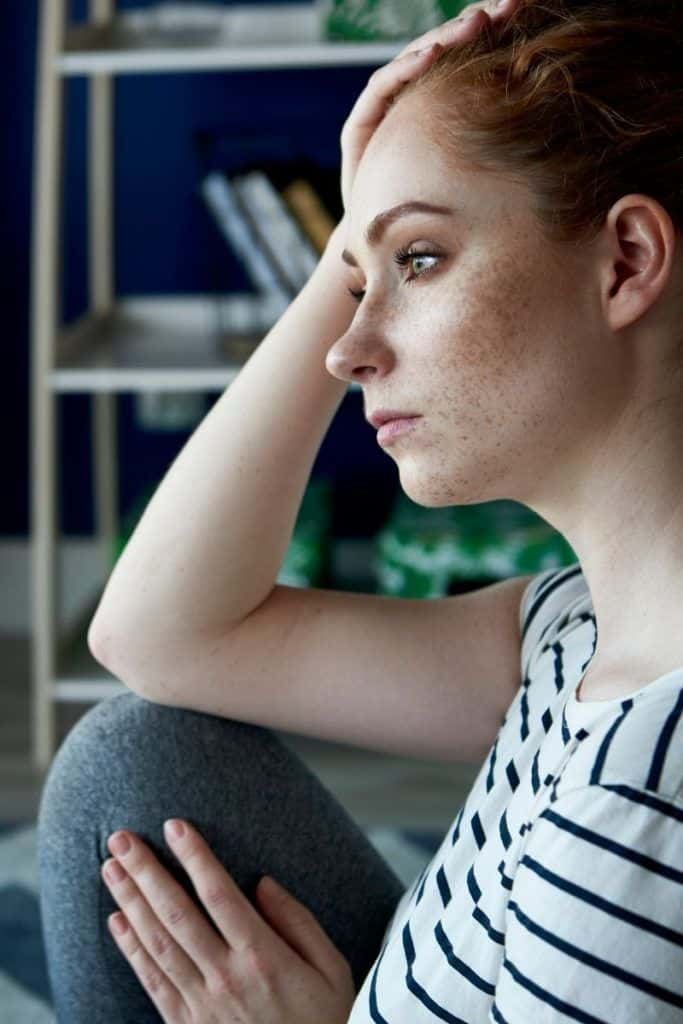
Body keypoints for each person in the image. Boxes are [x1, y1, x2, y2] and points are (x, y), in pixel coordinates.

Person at [37, 0, 682, 1021]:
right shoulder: (572, 631)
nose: (345, 350)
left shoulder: (637, 802)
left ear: (627, 261)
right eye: (355, 282)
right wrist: (362, 230)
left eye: (418, 260)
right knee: (140, 755)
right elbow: (162, 638)